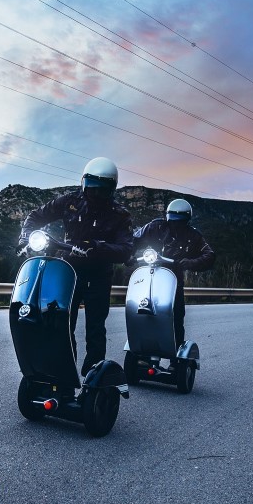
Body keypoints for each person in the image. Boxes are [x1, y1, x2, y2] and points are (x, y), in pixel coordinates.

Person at [19, 157, 134, 374]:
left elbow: (126, 249)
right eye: (91, 186)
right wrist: (25, 236)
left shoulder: (120, 215)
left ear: (111, 189)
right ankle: (64, 370)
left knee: (95, 328)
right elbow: (36, 216)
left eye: (101, 189)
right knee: (61, 322)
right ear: (83, 183)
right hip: (68, 271)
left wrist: (97, 247)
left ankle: (94, 375)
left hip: (99, 275)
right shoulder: (69, 201)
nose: (95, 193)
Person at [132, 198, 215, 347]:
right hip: (150, 276)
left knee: (176, 317)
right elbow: (134, 239)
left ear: (187, 220)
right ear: (167, 217)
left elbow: (209, 254)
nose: (176, 224)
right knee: (139, 310)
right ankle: (141, 345)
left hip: (174, 281)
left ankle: (177, 352)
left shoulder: (193, 235)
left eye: (180, 221)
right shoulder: (155, 226)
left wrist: (191, 262)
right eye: (173, 220)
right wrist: (129, 255)